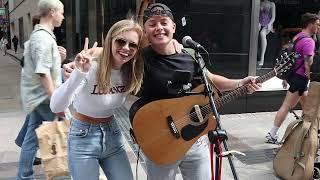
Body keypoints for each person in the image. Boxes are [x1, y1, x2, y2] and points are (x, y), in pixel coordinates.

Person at [63, 3, 261, 179]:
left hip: (194, 141)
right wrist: (78, 62)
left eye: (164, 22)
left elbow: (210, 79)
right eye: (152, 24)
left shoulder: (191, 54)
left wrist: (239, 82)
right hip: (161, 140)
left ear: (173, 27)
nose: (159, 28)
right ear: (146, 32)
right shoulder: (139, 58)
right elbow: (107, 50)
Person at [50, 19, 144, 180]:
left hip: (112, 134)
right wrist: (79, 74)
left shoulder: (132, 70)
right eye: (120, 41)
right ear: (110, 41)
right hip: (82, 137)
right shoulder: (91, 66)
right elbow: (56, 105)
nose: (126, 48)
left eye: (132, 45)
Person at [17, 0, 65, 179]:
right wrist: (56, 102)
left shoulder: (41, 36)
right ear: (52, 12)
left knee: (30, 140)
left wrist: (59, 58)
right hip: (45, 98)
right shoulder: (43, 38)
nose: (63, 16)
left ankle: (24, 176)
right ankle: (62, 176)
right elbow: (43, 72)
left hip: (38, 98)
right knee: (61, 138)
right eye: (61, 12)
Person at [265, 13, 320, 144]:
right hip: (300, 79)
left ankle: (308, 133)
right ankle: (272, 134)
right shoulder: (309, 41)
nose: (318, 27)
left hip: (295, 77)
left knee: (308, 108)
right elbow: (308, 63)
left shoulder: (298, 36)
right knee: (286, 106)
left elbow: (292, 58)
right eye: (317, 24)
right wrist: (310, 78)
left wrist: (286, 78)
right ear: (310, 24)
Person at [258, 0, 276, 67]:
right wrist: (258, 22)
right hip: (259, 23)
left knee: (262, 34)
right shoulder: (259, 3)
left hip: (267, 25)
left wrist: (270, 24)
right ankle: (255, 57)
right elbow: (257, 15)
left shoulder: (272, 4)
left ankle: (262, 59)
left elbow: (273, 17)